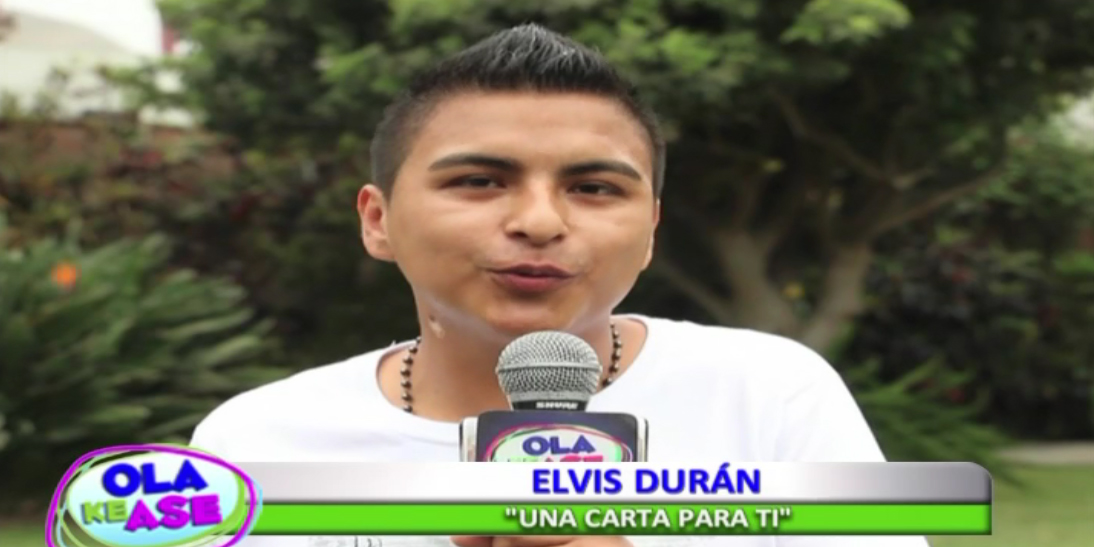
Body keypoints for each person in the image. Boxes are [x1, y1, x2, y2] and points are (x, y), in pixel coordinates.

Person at [190, 24, 929, 547]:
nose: (540, 222)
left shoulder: (768, 396)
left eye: (594, 187)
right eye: (480, 180)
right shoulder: (256, 444)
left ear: (651, 230)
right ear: (378, 220)